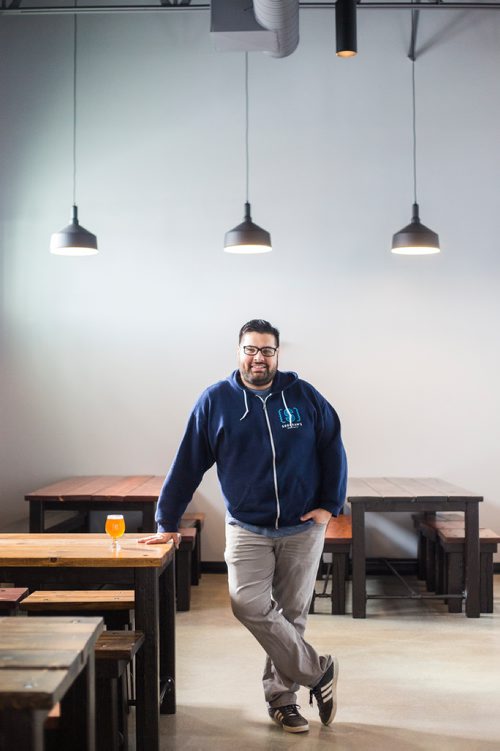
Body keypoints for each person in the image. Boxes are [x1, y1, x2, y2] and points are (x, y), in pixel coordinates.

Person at [139, 319, 347, 734]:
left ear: (277, 355)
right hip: (247, 528)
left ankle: (283, 701)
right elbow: (187, 464)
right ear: (239, 352)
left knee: (292, 615)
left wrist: (329, 506)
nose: (259, 358)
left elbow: (333, 448)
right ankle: (319, 672)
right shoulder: (216, 401)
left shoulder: (302, 396)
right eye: (251, 349)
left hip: (302, 528)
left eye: (267, 350)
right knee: (246, 603)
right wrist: (166, 519)